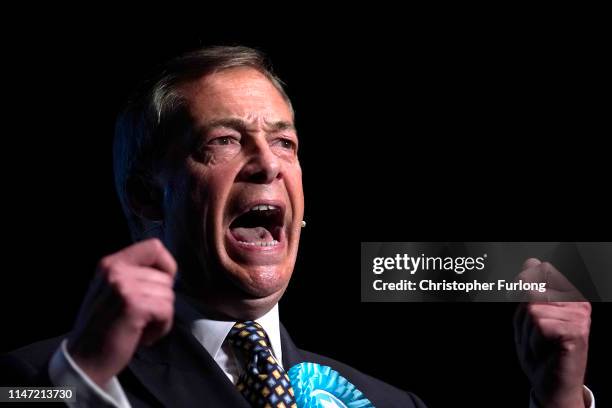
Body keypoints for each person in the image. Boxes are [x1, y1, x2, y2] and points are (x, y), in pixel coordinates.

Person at [0, 46, 594, 408]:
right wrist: (85, 374)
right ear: (145, 195)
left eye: (284, 141)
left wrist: (557, 398)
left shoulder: (389, 402)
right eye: (225, 140)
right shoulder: (38, 376)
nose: (268, 163)